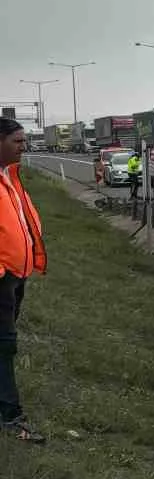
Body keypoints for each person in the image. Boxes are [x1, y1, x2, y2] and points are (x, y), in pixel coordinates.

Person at [0, 119, 47, 443]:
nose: (24, 146)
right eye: (18, 141)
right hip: (2, 277)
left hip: (17, 275)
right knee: (4, 346)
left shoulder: (9, 176)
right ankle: (10, 416)